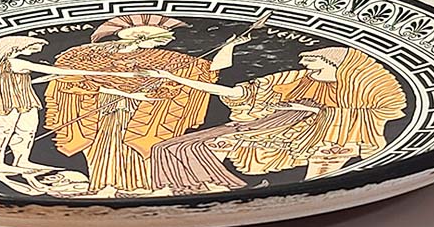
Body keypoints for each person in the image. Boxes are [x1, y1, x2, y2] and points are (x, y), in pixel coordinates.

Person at [145, 46, 407, 193]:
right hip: (263, 125)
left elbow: (384, 111)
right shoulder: (299, 79)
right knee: (170, 146)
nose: (309, 71)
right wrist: (176, 78)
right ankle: (187, 189)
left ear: (341, 68)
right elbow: (240, 93)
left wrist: (316, 111)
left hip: (303, 132)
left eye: (317, 68)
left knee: (206, 145)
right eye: (309, 67)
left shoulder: (372, 88)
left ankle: (210, 187)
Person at [43, 14, 248, 196]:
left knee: (141, 145)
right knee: (106, 146)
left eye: (163, 38)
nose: (162, 42)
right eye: (157, 38)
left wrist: (229, 46)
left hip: (145, 111)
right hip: (108, 108)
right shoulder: (95, 57)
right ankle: (105, 185)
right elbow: (74, 78)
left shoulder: (168, 58)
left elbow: (209, 70)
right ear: (136, 36)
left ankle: (140, 186)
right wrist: (124, 92)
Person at [0, 35, 112, 174]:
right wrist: (107, 73)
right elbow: (53, 69)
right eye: (33, 47)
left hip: (23, 100)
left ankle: (21, 161)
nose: (35, 51)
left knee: (27, 131)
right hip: (1, 102)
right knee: (2, 130)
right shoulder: (13, 62)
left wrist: (35, 80)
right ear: (16, 47)